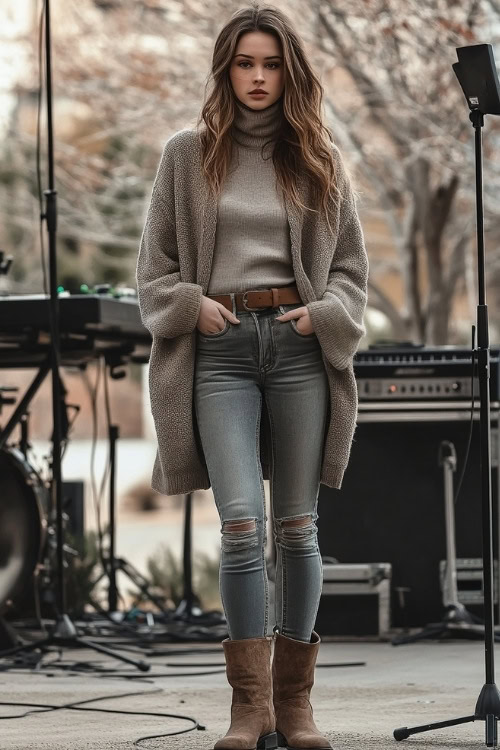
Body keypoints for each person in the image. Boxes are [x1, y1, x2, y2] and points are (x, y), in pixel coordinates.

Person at [136, 4, 369, 749]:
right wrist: (189, 305)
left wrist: (322, 314)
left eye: (271, 64)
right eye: (245, 63)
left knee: (297, 528)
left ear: (288, 71)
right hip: (222, 350)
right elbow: (154, 272)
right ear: (225, 70)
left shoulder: (321, 158)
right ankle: (250, 709)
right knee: (242, 522)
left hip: (300, 350)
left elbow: (351, 275)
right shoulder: (186, 155)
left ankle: (295, 707)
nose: (259, 78)